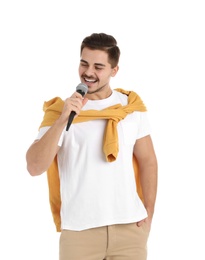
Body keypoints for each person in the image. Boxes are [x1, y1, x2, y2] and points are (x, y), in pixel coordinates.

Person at [26, 32, 158, 260]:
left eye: (99, 67)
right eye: (84, 63)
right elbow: (34, 167)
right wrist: (62, 120)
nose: (88, 72)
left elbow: (148, 161)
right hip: (80, 233)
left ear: (114, 71)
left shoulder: (131, 107)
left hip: (130, 230)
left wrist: (149, 212)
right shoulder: (61, 111)